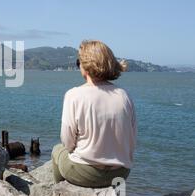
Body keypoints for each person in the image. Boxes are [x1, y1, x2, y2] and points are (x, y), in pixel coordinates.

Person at [52, 40, 137, 188]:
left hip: (84, 173)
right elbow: (132, 140)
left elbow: (67, 141)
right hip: (120, 173)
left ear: (86, 65)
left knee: (57, 150)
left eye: (79, 62)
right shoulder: (124, 96)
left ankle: (60, 194)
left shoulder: (74, 95)